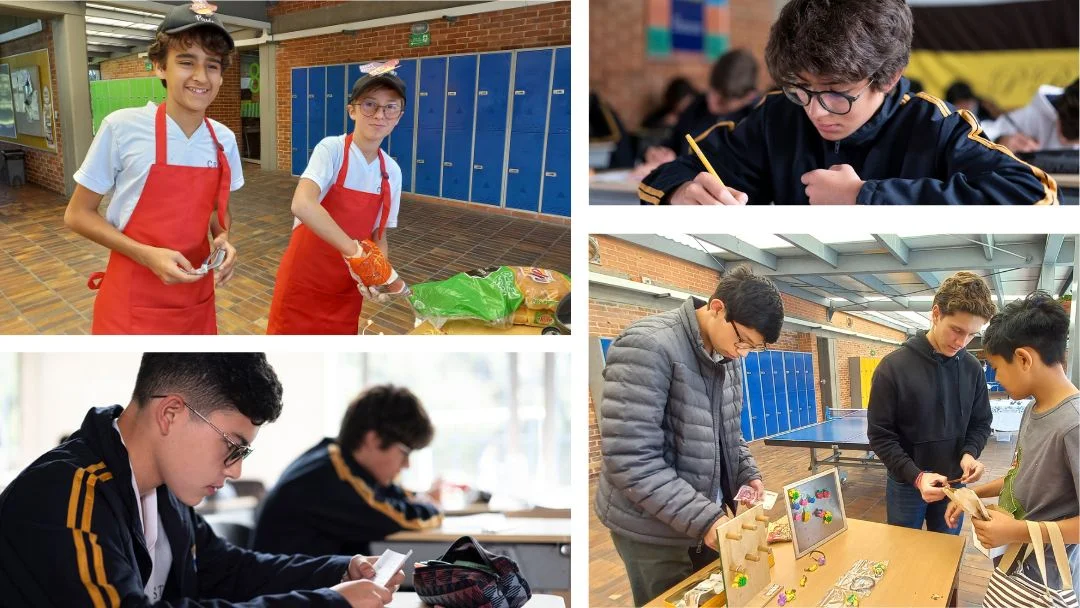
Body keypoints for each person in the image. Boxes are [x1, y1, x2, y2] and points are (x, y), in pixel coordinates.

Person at [0, 353, 403, 607]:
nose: (236, 469)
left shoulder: (163, 491)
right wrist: (327, 603)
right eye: (233, 446)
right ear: (171, 414)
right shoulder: (65, 498)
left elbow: (228, 570)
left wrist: (339, 572)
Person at [637, 0, 1058, 205]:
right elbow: (671, 172)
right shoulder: (776, 117)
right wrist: (681, 193)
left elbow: (1035, 195)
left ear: (889, 78)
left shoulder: (934, 125)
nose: (816, 111)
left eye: (838, 93)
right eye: (801, 88)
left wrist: (865, 196)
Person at [595, 265, 784, 606]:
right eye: (742, 341)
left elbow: (728, 431)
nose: (742, 353)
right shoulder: (647, 346)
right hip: (650, 530)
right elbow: (630, 459)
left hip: (704, 520)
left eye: (752, 349)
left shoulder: (729, 357)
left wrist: (747, 474)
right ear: (717, 309)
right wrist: (706, 517)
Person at [65, 2, 243, 334]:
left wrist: (223, 238)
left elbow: (215, 210)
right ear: (160, 66)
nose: (201, 77)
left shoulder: (224, 140)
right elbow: (77, 214)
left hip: (195, 298)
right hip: (131, 297)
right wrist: (145, 255)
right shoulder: (122, 128)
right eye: (186, 62)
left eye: (213, 66)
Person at [946, 292, 1078, 589]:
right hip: (1015, 568)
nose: (997, 376)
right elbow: (1022, 475)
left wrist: (1017, 530)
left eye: (997, 367)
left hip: (1049, 584)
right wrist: (975, 495)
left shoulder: (1074, 425)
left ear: (1023, 358)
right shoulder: (1034, 408)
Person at [266, 63, 406, 334]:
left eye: (391, 107)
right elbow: (303, 204)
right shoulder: (332, 150)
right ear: (352, 110)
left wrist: (375, 276)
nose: (380, 115)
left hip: (346, 289)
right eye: (369, 104)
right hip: (303, 283)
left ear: (399, 116)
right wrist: (355, 254)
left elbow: (379, 237)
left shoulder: (391, 172)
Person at [868, 271, 995, 535]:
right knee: (904, 552)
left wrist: (970, 453)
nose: (962, 342)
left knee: (946, 552)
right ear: (936, 314)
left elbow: (981, 422)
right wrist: (916, 476)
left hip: (954, 483)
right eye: (957, 330)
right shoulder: (892, 368)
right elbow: (881, 436)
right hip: (906, 483)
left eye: (972, 335)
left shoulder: (972, 368)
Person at [252, 385, 443, 556]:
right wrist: (433, 505)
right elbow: (401, 517)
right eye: (405, 453)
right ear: (373, 440)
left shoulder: (338, 460)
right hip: (291, 591)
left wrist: (422, 498)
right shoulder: (330, 479)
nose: (407, 465)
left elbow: (392, 496)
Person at [643, 49, 761, 164]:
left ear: (749, 97)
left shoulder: (756, 124)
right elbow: (673, 143)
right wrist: (658, 153)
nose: (711, 103)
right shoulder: (697, 106)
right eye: (712, 90)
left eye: (722, 102)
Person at [982, 79, 1079, 153]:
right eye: (1066, 125)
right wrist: (998, 142)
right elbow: (977, 134)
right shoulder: (1035, 114)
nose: (1063, 140)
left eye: (1075, 135)